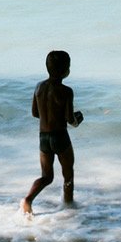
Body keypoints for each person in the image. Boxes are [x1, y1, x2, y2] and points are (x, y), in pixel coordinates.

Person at [20, 49, 83, 216]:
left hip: (44, 138)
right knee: (68, 174)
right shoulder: (66, 91)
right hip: (60, 136)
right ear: (66, 70)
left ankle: (28, 200)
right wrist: (77, 119)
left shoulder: (38, 87)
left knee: (47, 177)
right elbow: (70, 119)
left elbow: (35, 113)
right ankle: (69, 207)